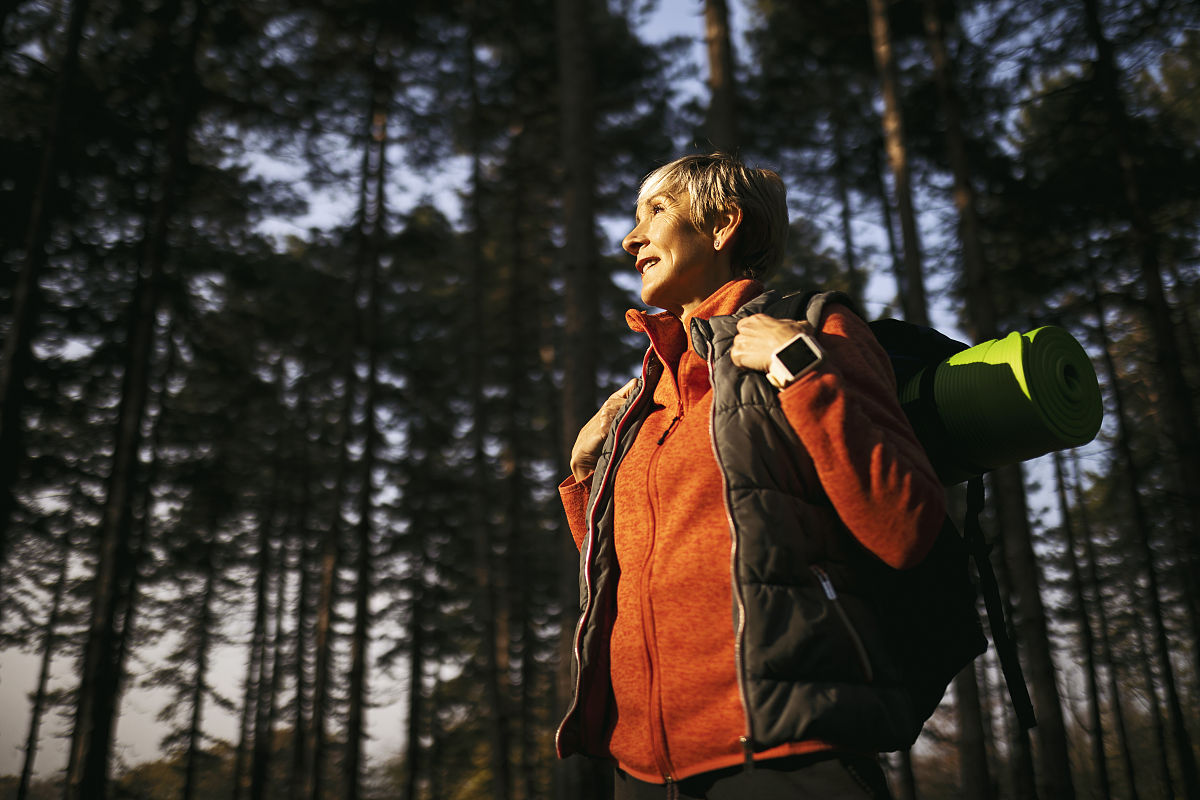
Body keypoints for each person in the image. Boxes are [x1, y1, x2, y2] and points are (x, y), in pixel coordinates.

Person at [554, 153, 947, 800]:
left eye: (656, 212)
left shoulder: (814, 331)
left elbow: (904, 525)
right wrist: (586, 475)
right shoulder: (642, 397)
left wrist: (801, 368)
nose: (631, 237)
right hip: (644, 772)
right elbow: (640, 580)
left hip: (785, 755)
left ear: (723, 225)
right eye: (634, 218)